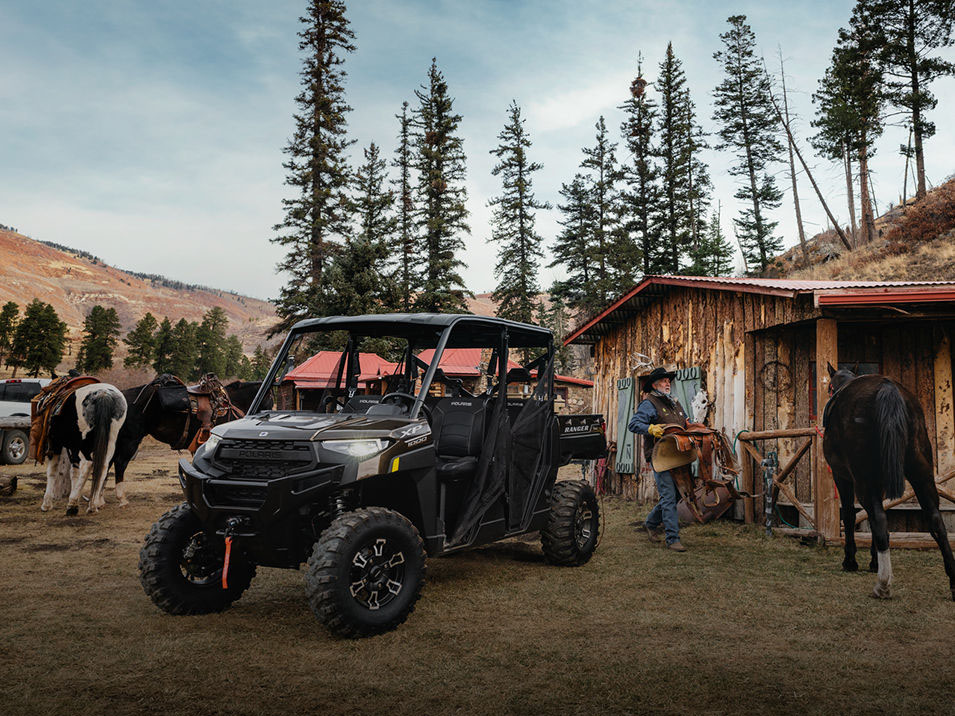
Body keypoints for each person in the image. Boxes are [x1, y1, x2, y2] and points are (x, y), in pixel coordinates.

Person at [628, 366, 688, 552]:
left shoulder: (674, 403)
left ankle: (651, 523)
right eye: (663, 380)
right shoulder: (649, 403)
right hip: (660, 455)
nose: (667, 383)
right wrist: (650, 429)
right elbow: (634, 424)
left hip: (678, 455)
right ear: (654, 384)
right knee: (669, 496)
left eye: (668, 380)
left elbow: (685, 422)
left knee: (678, 494)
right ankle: (672, 538)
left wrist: (693, 425)